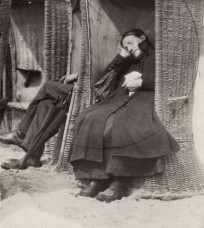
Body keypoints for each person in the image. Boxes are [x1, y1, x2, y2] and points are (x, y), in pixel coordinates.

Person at [70, 28, 180, 203]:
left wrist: (142, 83)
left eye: (130, 43)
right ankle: (97, 179)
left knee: (120, 125)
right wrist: (122, 55)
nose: (128, 47)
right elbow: (105, 77)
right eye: (124, 46)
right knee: (89, 117)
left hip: (145, 98)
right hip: (120, 99)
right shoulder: (129, 62)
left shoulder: (158, 56)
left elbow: (170, 78)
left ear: (142, 38)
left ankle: (119, 181)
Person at [0, 73, 78, 169]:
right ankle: (34, 159)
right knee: (44, 104)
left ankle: (20, 134)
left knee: (47, 85)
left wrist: (76, 75)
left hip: (83, 89)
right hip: (75, 89)